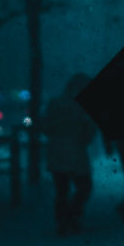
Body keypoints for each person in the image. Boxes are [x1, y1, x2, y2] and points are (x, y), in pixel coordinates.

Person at [42, 73, 98, 235]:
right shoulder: (82, 107)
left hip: (57, 152)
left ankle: (64, 220)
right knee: (83, 187)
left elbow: (46, 126)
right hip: (75, 152)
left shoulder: (56, 103)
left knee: (62, 190)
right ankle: (71, 217)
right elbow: (88, 133)